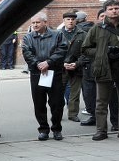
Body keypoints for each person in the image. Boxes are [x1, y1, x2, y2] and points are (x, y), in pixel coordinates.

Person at [81, 0, 119, 141]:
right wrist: (103, 51)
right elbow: (85, 49)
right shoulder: (97, 28)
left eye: (116, 8)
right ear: (105, 11)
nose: (114, 11)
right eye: (111, 8)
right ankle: (101, 131)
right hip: (104, 67)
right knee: (101, 102)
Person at [21, 12, 68, 140]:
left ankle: (57, 129)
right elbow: (26, 52)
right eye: (33, 23)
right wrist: (38, 64)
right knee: (39, 103)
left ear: (45, 22)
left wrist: (49, 62)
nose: (35, 25)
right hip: (37, 73)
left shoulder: (57, 35)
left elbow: (62, 50)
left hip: (54, 73)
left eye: (38, 22)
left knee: (57, 103)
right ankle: (43, 129)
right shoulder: (28, 37)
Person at [60, 11, 86, 123]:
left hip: (77, 67)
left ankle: (73, 114)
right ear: (64, 21)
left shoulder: (83, 34)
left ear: (76, 21)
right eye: (68, 19)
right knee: (58, 92)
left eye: (72, 19)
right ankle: (57, 113)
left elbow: (85, 52)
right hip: (61, 67)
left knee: (75, 92)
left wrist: (77, 63)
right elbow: (53, 51)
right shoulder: (57, 34)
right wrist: (62, 63)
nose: (70, 21)